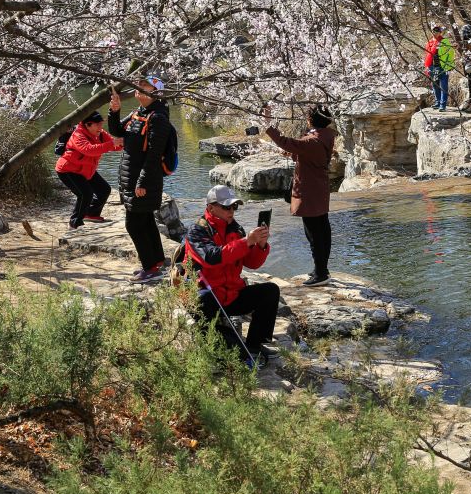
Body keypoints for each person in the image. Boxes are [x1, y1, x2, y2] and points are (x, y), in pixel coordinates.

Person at [184, 185, 277, 368]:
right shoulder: (197, 231)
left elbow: (252, 263)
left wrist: (260, 246)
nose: (231, 211)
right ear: (211, 208)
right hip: (205, 295)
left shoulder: (237, 230)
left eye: (234, 207)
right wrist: (246, 242)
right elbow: (212, 257)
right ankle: (215, 351)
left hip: (231, 295)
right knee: (204, 300)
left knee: (270, 291)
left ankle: (255, 344)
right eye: (227, 207)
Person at [108, 76, 174, 283]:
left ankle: (150, 268)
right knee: (145, 220)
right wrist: (115, 110)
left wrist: (142, 183)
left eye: (146, 86)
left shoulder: (158, 118)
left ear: (157, 92)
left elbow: (154, 155)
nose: (140, 88)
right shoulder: (139, 113)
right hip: (132, 177)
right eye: (140, 85)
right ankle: (157, 261)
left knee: (134, 224)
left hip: (144, 180)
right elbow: (117, 131)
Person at [265, 105, 336, 287]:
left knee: (314, 234)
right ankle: (321, 269)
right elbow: (311, 156)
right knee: (322, 231)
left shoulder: (312, 140)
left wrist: (268, 122)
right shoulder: (325, 136)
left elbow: (284, 141)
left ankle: (320, 274)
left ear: (311, 120)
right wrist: (295, 154)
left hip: (309, 191)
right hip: (319, 189)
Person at [55, 111, 123, 230]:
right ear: (88, 124)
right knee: (85, 194)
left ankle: (91, 213)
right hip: (68, 170)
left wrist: (122, 143)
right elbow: (89, 150)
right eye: (97, 124)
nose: (100, 127)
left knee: (104, 190)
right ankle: (75, 223)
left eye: (101, 124)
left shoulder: (100, 134)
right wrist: (112, 143)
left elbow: (113, 145)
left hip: (86, 169)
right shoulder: (78, 134)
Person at [423, 25, 456, 111]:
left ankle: (443, 104)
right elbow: (426, 55)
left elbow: (450, 54)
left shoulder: (444, 42)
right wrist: (427, 67)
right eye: (433, 31)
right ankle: (437, 102)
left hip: (442, 67)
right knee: (435, 85)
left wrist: (448, 66)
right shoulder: (429, 42)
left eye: (437, 32)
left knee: (444, 86)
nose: (434, 33)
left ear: (440, 32)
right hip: (432, 67)